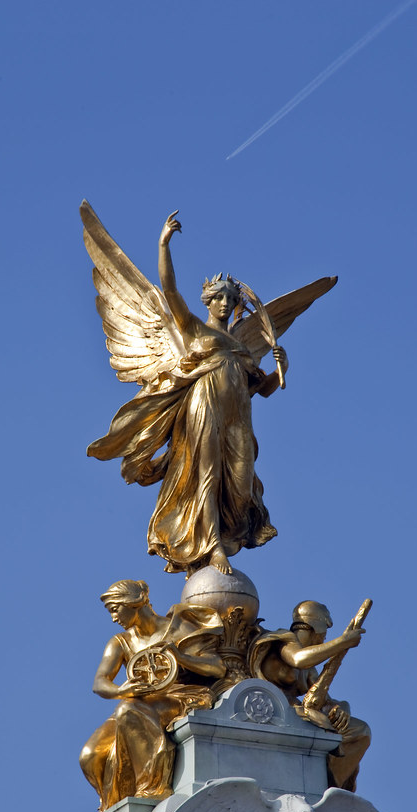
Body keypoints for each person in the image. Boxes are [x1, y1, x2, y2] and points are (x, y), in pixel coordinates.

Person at [87, 212, 288, 576]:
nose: (226, 304)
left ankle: (227, 535)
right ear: (208, 302)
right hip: (204, 404)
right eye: (219, 298)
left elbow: (264, 389)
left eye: (231, 298)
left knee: (240, 483)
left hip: (237, 414)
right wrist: (163, 245)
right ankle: (212, 549)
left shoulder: (241, 347)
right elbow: (170, 291)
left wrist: (280, 370)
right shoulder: (194, 329)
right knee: (206, 475)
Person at [79, 579, 225, 811]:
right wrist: (120, 690)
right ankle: (112, 805)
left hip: (179, 696)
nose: (114, 618)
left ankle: (153, 790)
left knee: (128, 710)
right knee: (90, 755)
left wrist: (181, 657)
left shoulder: (177, 628)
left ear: (134, 603)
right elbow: (99, 682)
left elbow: (216, 668)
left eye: (115, 610)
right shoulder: (121, 642)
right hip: (138, 700)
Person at [248, 600, 371, 792]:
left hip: (296, 714)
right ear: (316, 628)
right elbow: (299, 659)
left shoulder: (310, 669)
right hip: (267, 710)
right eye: (324, 633)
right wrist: (342, 642)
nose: (324, 639)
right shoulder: (283, 640)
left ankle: (330, 786)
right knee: (323, 723)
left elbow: (325, 700)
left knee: (361, 731)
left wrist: (342, 708)